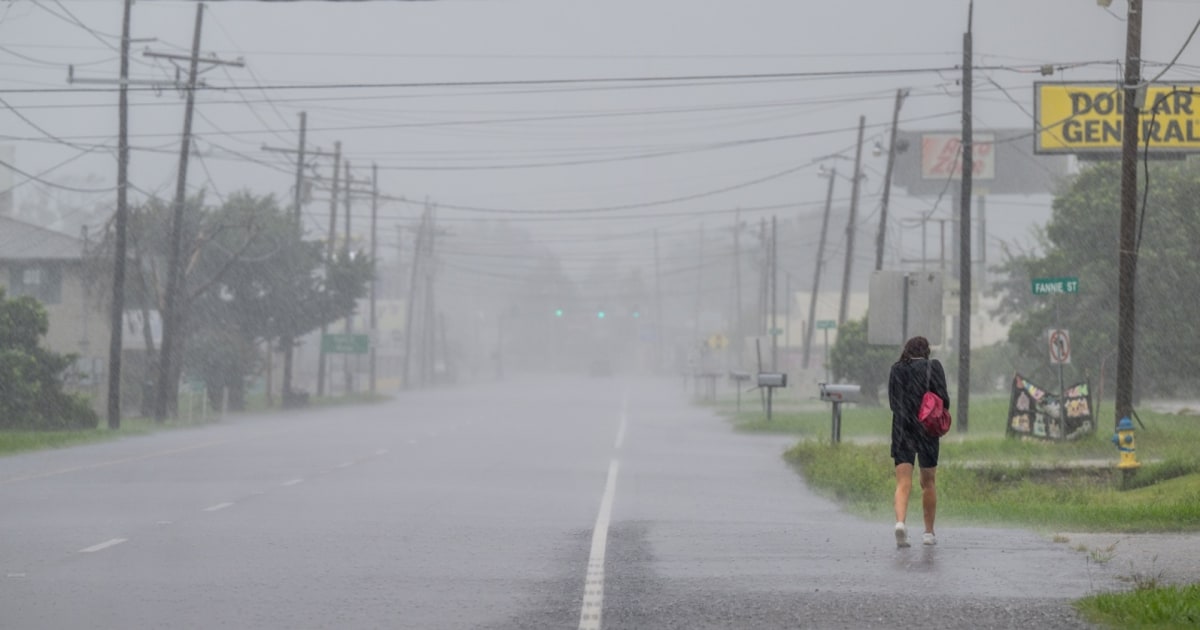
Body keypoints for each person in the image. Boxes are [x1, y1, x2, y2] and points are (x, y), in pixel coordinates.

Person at [888, 336, 949, 548]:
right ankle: (928, 533)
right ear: (926, 351)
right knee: (928, 482)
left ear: (906, 350)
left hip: (902, 428)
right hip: (927, 430)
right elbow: (944, 400)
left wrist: (907, 413)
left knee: (903, 482)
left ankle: (900, 524)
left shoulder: (896, 369)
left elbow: (892, 402)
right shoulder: (934, 367)